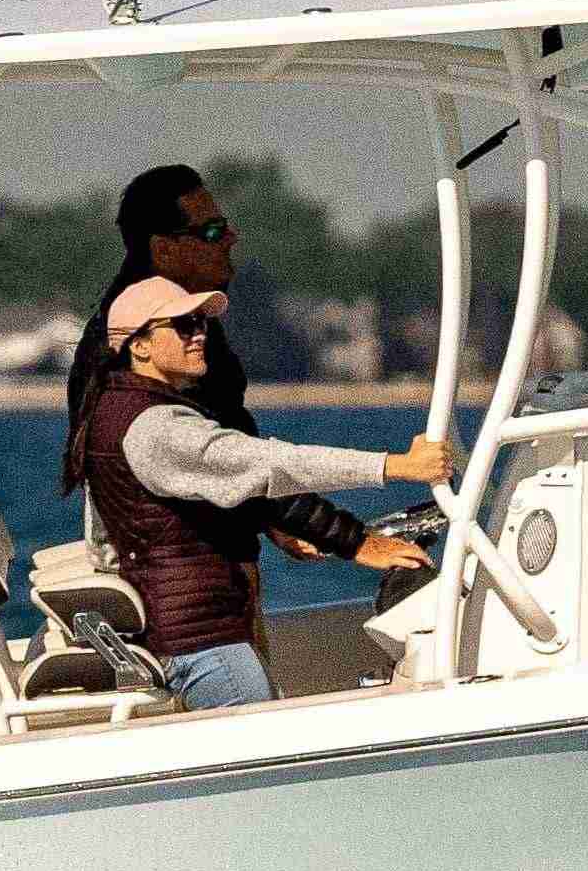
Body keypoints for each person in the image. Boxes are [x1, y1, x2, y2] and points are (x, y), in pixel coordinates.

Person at [71, 275, 446, 711]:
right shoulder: (156, 427)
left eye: (201, 324)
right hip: (204, 644)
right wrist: (395, 465)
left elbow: (171, 510)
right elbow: (268, 464)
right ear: (139, 346)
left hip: (183, 634)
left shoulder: (115, 414)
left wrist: (285, 527)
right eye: (183, 325)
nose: (199, 335)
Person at [59, 162, 376, 572]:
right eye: (211, 231)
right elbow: (226, 460)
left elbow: (222, 454)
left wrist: (272, 520)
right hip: (174, 577)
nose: (231, 238)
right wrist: (355, 540)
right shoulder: (150, 344)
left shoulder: (180, 327)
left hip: (192, 566)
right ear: (164, 249)